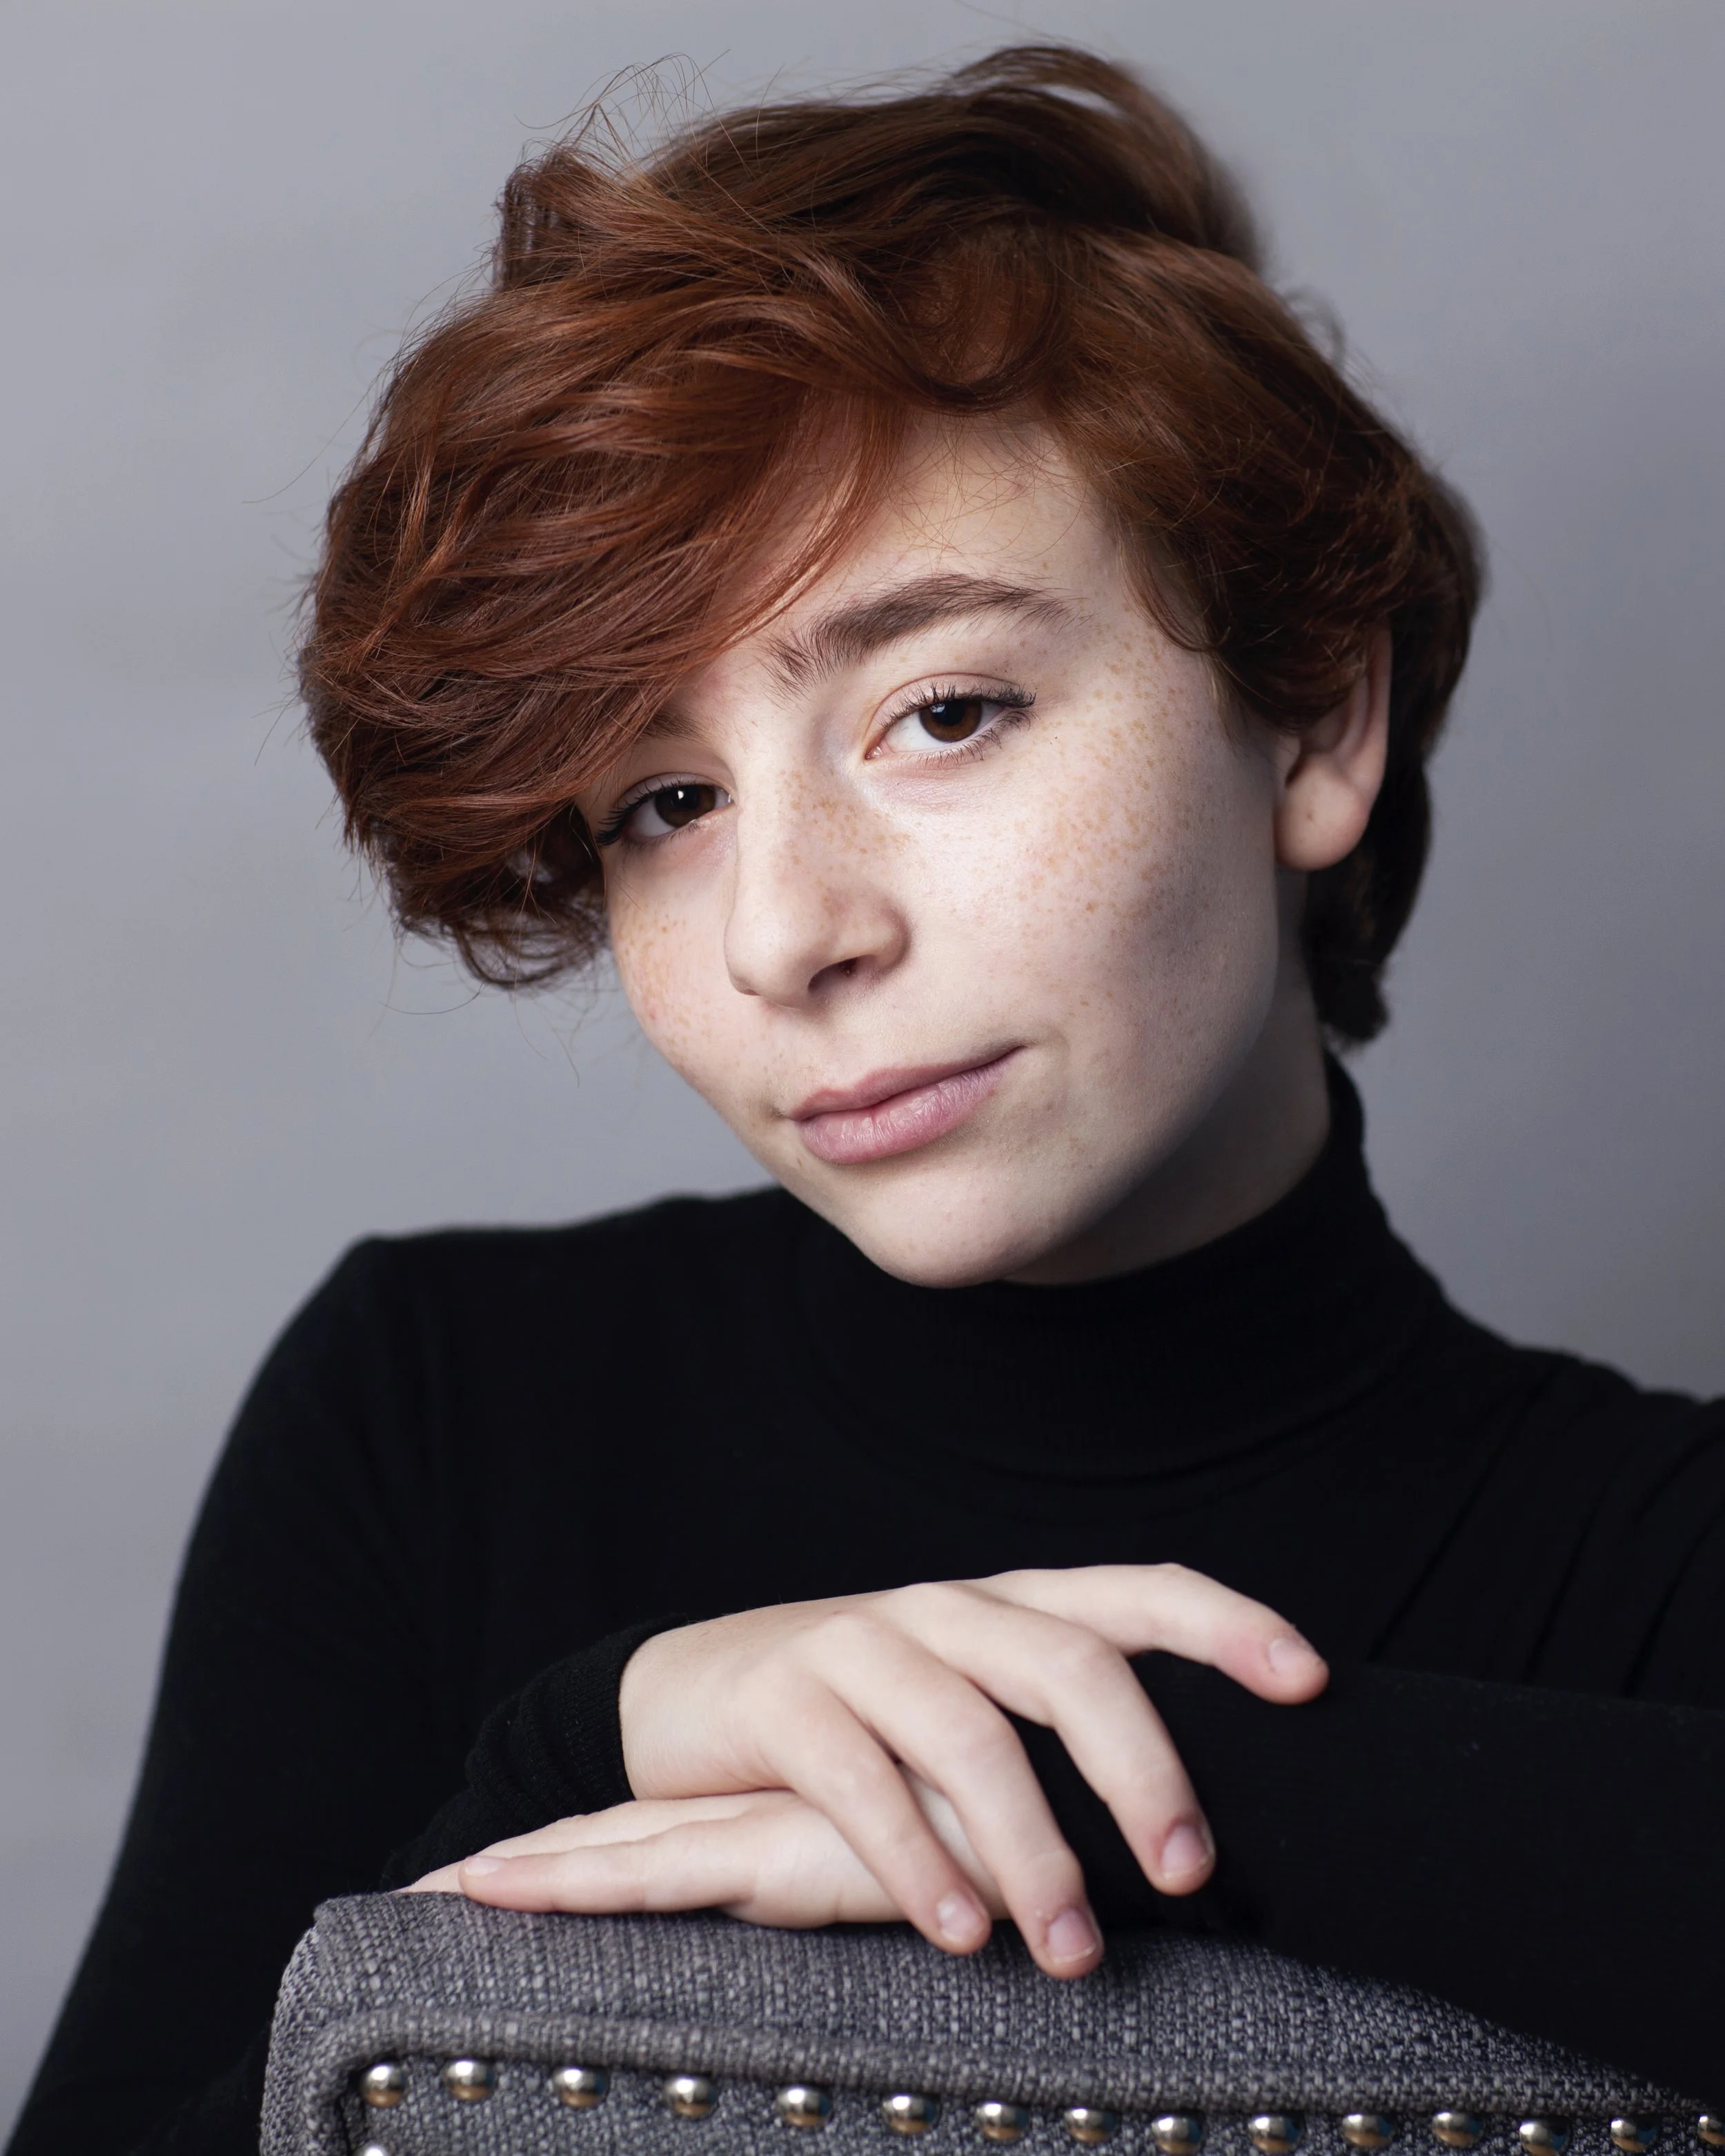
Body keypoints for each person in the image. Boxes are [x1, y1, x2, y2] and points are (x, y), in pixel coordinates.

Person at [10, 46, 1724, 2156]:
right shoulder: (436, 1409)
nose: (781, 934)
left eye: (939, 709)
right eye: (664, 800)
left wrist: (1140, 1769)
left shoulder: (1655, 1560)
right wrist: (587, 1741)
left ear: (1311, 714)